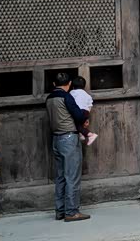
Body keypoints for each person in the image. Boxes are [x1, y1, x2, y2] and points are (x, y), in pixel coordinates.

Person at [45, 72, 90, 222]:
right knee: (72, 176)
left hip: (56, 139)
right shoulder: (66, 97)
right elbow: (79, 116)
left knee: (60, 177)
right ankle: (71, 212)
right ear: (69, 83)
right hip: (69, 138)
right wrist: (85, 115)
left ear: (54, 84)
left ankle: (60, 211)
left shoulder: (49, 98)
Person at [69, 76, 98, 146]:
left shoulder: (72, 92)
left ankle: (90, 135)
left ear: (73, 86)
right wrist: (86, 117)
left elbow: (69, 102)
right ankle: (81, 134)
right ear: (84, 86)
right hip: (85, 111)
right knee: (80, 124)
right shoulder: (87, 95)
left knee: (74, 124)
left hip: (78, 111)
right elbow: (90, 105)